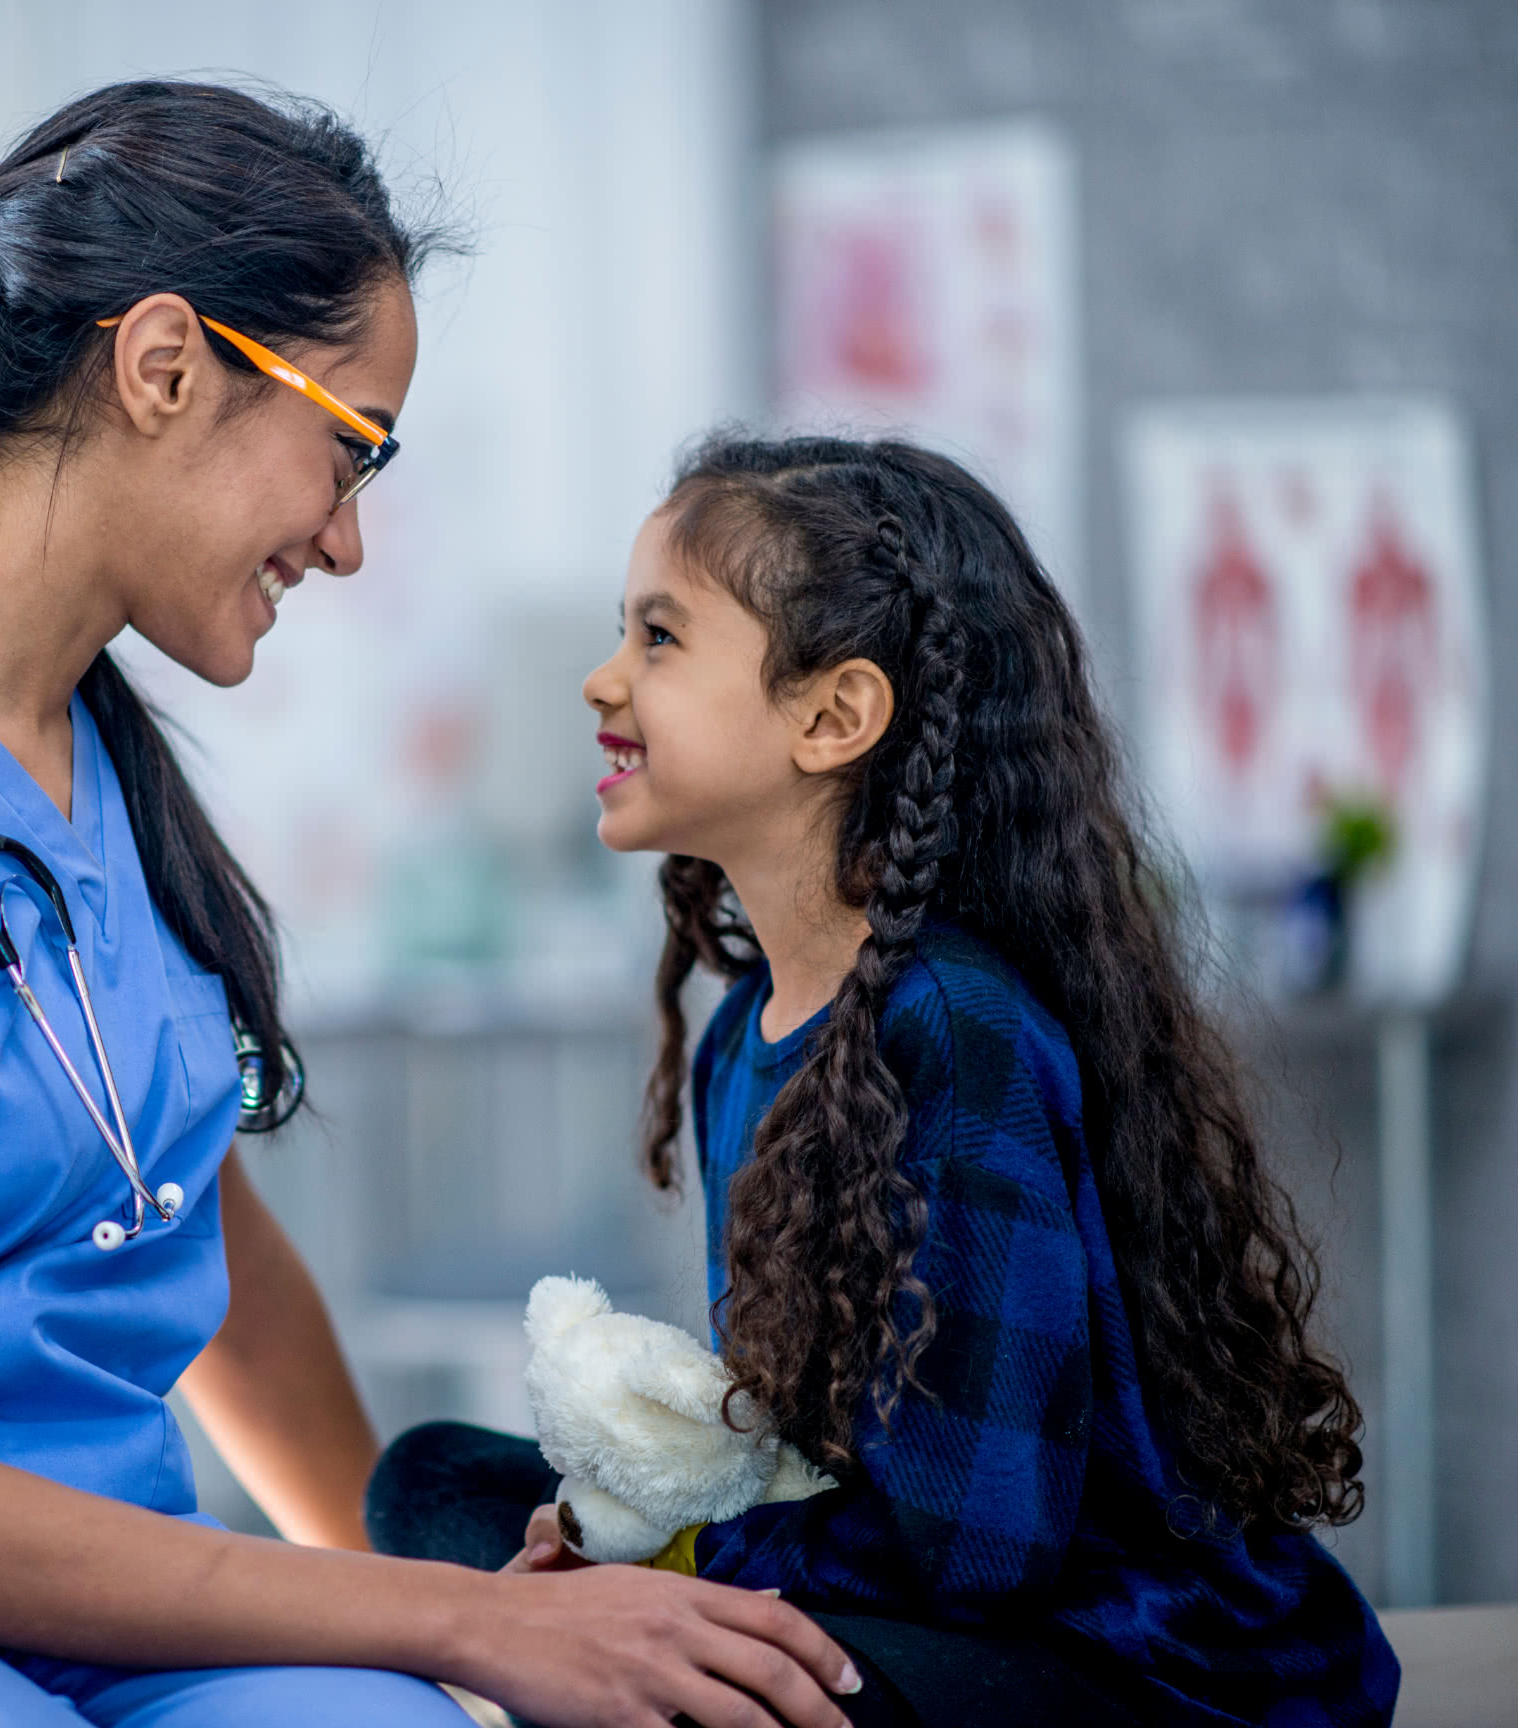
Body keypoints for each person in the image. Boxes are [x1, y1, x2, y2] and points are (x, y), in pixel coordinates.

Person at [0, 84, 870, 1728]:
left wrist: (482, 1629)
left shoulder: (102, 776)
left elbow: (199, 1240)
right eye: (346, 453)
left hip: (77, 1592)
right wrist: (444, 1623)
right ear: (166, 365)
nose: (346, 542)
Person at [367, 435, 1402, 1727]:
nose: (602, 680)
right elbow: (794, 1448)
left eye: (660, 639)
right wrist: (599, 1543)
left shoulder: (952, 1031)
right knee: (429, 1482)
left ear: (834, 715)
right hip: (900, 1581)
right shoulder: (745, 1029)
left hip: (1111, 1652)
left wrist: (663, 1567)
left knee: (684, 1675)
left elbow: (981, 1549)